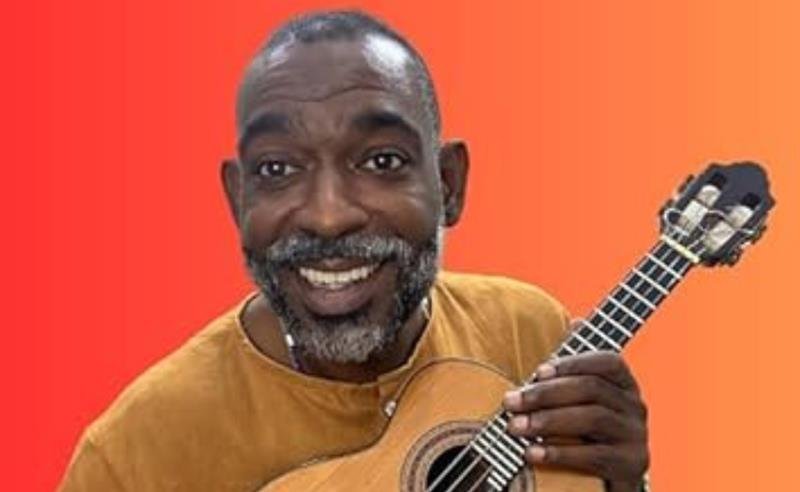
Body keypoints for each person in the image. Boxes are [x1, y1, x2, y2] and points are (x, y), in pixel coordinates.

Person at [59, 10, 648, 492]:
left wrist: (626, 487)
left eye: (382, 161)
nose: (328, 216)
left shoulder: (529, 333)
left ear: (448, 185)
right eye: (277, 168)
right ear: (239, 201)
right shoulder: (131, 458)